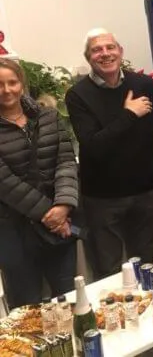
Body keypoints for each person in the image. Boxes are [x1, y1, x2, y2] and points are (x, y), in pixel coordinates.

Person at [66, 28, 153, 278]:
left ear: (120, 51)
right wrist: (129, 115)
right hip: (103, 200)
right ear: (88, 57)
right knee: (109, 271)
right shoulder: (78, 95)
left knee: (148, 266)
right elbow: (93, 146)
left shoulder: (143, 84)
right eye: (97, 49)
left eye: (110, 47)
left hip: (146, 192)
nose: (105, 53)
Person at [0, 58, 78, 308]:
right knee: (27, 309)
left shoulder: (48, 117)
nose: (7, 90)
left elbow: (66, 161)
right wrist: (49, 213)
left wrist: (63, 206)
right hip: (14, 230)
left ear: (22, 84)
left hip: (58, 224)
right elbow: (4, 182)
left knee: (69, 301)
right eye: (0, 84)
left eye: (12, 82)